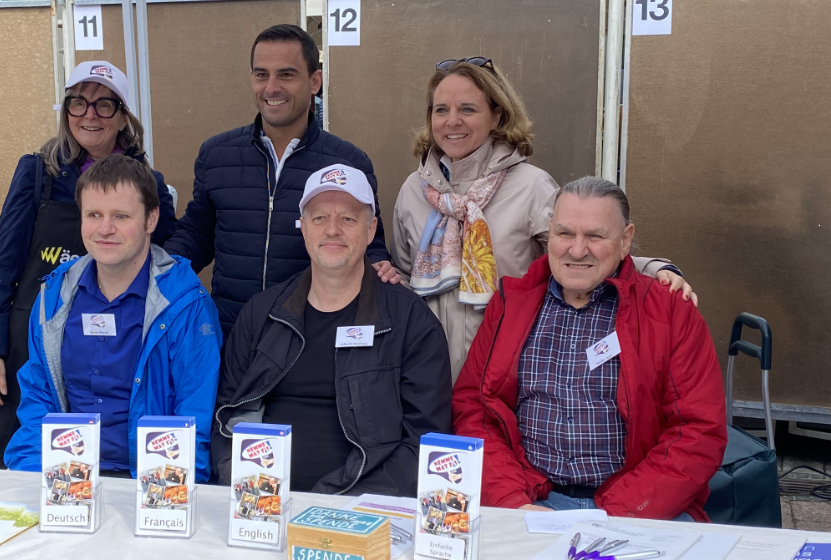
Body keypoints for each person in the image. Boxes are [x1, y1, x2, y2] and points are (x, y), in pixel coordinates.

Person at [391, 59, 695, 381]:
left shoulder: (531, 186)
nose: (452, 121)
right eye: (441, 110)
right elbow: (402, 274)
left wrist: (653, 269)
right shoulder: (414, 190)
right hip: (426, 369)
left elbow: (580, 252)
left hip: (507, 367)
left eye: (467, 109)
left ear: (496, 115)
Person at [451, 177, 726, 521]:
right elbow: (474, 409)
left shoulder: (670, 311)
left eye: (595, 236)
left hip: (638, 507)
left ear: (625, 241)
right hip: (529, 499)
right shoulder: (511, 304)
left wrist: (620, 513)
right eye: (565, 233)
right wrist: (511, 501)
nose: (577, 250)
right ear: (549, 232)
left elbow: (697, 432)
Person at [0, 61, 178, 469]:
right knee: (14, 453)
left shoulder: (147, 184)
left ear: (123, 117)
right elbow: (3, 264)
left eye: (104, 105)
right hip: (32, 341)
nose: (89, 114)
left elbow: (167, 262)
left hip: (111, 347)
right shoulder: (37, 172)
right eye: (78, 103)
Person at [212, 165, 452, 497]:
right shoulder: (261, 314)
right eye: (319, 218)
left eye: (349, 219)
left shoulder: (411, 322)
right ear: (304, 229)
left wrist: (335, 505)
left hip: (362, 509)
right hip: (261, 503)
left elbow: (424, 444)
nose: (333, 230)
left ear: (370, 231)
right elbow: (226, 418)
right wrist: (246, 489)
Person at [164, 24, 400, 339]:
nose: (271, 87)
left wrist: (381, 265)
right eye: (261, 74)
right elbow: (197, 234)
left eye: (286, 75)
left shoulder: (348, 163)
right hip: (231, 337)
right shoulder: (216, 155)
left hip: (309, 340)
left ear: (314, 81)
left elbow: (369, 243)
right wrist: (158, 272)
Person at [3, 155, 220, 481]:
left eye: (121, 216)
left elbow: (195, 420)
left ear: (151, 219)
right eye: (94, 215)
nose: (105, 229)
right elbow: (38, 400)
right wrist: (34, 480)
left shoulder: (186, 306)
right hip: (66, 481)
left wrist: (165, 504)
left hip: (151, 484)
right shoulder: (54, 297)